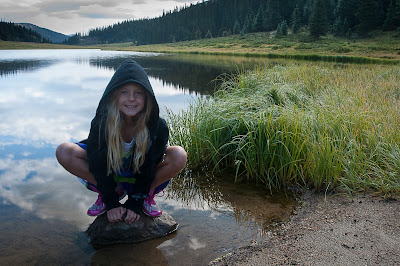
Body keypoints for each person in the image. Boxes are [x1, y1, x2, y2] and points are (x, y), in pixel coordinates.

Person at [56, 60, 187, 224]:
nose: (131, 98)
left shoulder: (158, 127)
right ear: (113, 95)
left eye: (138, 92)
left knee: (179, 154)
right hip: (110, 175)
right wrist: (111, 201)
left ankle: (146, 195)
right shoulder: (101, 123)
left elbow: (149, 167)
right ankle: (111, 192)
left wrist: (135, 203)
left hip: (141, 177)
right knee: (64, 151)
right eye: (124, 92)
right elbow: (97, 163)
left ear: (147, 97)